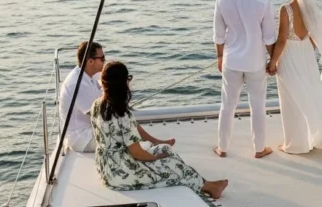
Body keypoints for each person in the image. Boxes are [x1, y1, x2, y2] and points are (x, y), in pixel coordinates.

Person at [91, 62, 228, 199]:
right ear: (122, 83)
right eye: (128, 78)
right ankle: (210, 187)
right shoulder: (123, 115)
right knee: (170, 164)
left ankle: (203, 183)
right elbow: (137, 153)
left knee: (165, 150)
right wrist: (155, 158)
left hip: (105, 167)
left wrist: (157, 151)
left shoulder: (97, 104)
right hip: (121, 172)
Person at [268, 0, 322, 153]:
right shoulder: (310, 8)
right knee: (309, 92)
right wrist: (308, 50)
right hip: (306, 53)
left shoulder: (286, 9)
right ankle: (312, 137)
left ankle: (296, 144)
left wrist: (273, 62)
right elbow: (315, 36)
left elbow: (282, 39)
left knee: (291, 97)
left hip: (290, 54)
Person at [213, 0, 278, 159]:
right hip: (255, 62)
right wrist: (273, 61)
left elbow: (218, 34)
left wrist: (219, 57)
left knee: (227, 105)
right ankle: (259, 149)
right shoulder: (263, 1)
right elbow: (269, 37)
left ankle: (222, 148)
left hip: (231, 60)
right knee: (257, 105)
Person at [58, 41, 105, 152]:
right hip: (82, 138)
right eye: (102, 58)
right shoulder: (77, 83)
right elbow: (102, 115)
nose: (104, 61)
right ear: (90, 61)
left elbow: (100, 88)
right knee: (121, 135)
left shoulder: (85, 75)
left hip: (89, 130)